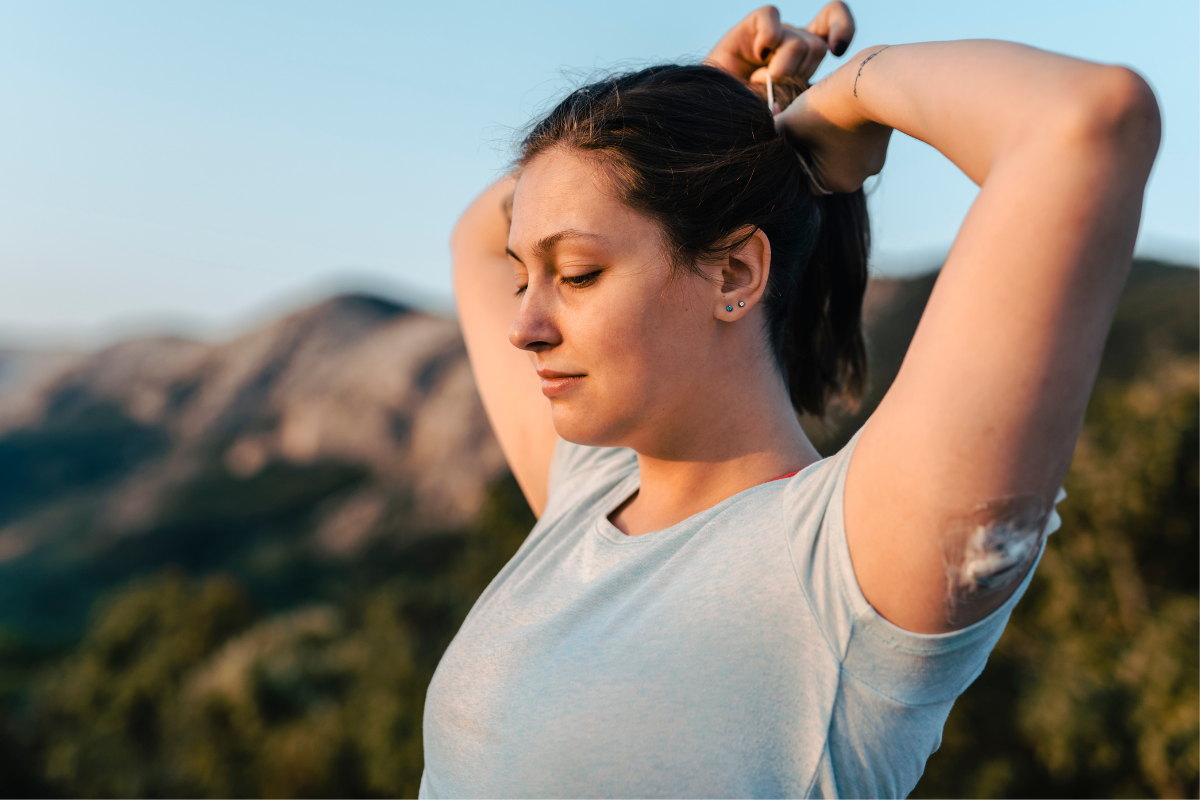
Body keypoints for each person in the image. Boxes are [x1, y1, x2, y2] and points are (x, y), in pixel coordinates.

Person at [420, 4, 1161, 797]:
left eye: (575, 274)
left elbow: (1088, 118)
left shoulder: (847, 565)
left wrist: (851, 98)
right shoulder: (590, 493)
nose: (524, 325)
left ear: (735, 274)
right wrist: (706, 101)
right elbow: (475, 235)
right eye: (524, 275)